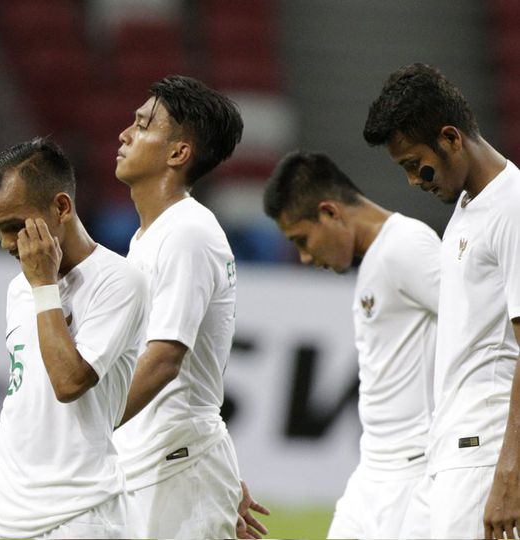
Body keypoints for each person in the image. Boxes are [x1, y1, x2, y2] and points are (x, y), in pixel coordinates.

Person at [364, 62, 520, 539]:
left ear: (451, 138)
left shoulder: (512, 207)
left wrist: (509, 472)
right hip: (449, 449)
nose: (414, 180)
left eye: (415, 163)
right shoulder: (467, 209)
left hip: (485, 450)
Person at [111, 74, 269, 539]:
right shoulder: (151, 235)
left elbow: (163, 360)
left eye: (142, 125)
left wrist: (87, 428)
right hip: (163, 459)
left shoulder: (186, 234)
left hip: (174, 462)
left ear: (179, 153)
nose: (125, 134)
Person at [0, 137, 147, 539]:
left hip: (78, 515)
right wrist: (39, 285)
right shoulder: (22, 288)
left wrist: (45, 287)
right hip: (0, 509)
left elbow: (69, 383)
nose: (5, 244)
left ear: (61, 207)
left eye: (14, 226)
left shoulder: (119, 282)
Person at [263, 150, 439, 538]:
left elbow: (482, 333)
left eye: (302, 240)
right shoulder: (376, 260)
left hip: (416, 473)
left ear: (330, 212)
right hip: (373, 471)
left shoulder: (407, 247)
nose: (305, 257)